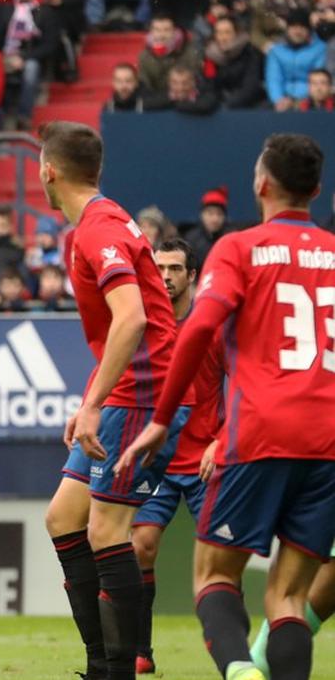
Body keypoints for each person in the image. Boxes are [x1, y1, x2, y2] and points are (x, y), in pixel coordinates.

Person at [118, 133, 335, 680]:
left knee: (214, 578)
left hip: (260, 431)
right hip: (328, 439)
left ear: (261, 183)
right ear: (314, 189)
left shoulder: (239, 248)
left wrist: (162, 420)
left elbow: (198, 333)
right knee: (287, 599)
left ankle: (239, 671)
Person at [38, 121, 185, 680]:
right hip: (123, 387)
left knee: (106, 531)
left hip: (142, 390)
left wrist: (97, 403)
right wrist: (89, 399)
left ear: (49, 172)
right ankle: (101, 663)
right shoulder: (107, 218)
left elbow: (133, 319)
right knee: (63, 518)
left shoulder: (96, 230)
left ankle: (118, 671)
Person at [127, 238, 225, 676]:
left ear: (192, 275)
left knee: (219, 561)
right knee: (139, 546)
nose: (165, 275)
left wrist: (221, 441)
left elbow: (240, 385)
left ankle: (228, 649)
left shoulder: (212, 326)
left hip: (208, 458)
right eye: (159, 267)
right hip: (159, 461)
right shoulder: (143, 325)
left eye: (174, 268)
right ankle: (141, 651)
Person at [265, 10, 326, 111]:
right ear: (287, 29)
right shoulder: (276, 51)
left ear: (309, 30)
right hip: (281, 101)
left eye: (302, 27)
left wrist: (298, 100)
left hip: (311, 100)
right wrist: (278, 99)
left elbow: (318, 79)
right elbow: (273, 79)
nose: (297, 32)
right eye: (293, 27)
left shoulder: (320, 49)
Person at [184, 186, 230, 271]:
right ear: (202, 215)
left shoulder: (231, 238)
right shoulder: (191, 239)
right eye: (210, 213)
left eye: (219, 214)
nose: (215, 219)